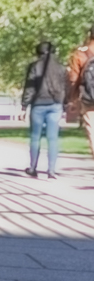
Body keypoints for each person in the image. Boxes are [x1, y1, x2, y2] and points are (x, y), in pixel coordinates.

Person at [22, 41, 67, 179]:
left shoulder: (34, 66)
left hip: (39, 104)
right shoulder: (60, 68)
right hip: (55, 104)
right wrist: (64, 104)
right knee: (53, 138)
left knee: (35, 137)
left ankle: (33, 167)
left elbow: (30, 88)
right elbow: (66, 86)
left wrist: (24, 105)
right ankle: (51, 170)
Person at [67, 25, 94, 159]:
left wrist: (73, 99)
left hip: (89, 99)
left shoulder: (80, 54)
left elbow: (74, 79)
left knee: (93, 132)